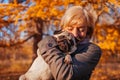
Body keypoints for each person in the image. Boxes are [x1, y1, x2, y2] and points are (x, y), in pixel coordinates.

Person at [38, 6, 102, 80]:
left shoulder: (92, 50)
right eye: (70, 29)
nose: (75, 34)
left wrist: (47, 43)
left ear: (88, 30)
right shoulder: (54, 40)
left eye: (81, 30)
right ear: (63, 28)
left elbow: (64, 75)